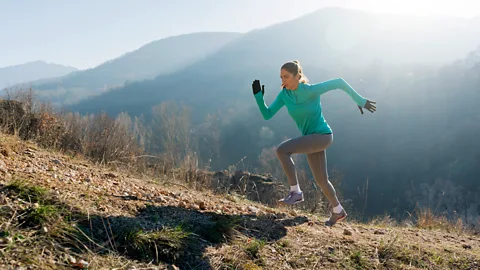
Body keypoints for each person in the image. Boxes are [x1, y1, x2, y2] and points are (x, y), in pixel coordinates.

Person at [252, 60, 376, 226]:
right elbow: (267, 114)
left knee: (282, 150)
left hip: (322, 136)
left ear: (298, 76)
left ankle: (295, 192)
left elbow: (339, 82)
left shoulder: (310, 90)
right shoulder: (284, 95)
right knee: (321, 181)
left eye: (287, 77)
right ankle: (338, 211)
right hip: (311, 139)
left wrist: (359, 100)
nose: (283, 81)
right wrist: (259, 97)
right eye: (281, 77)